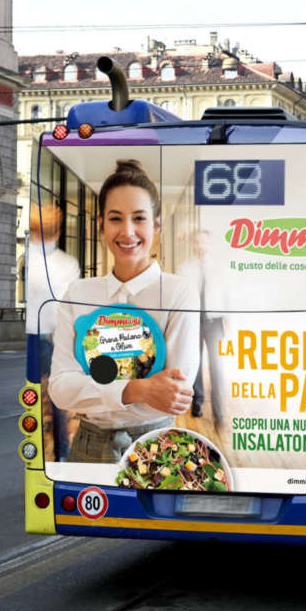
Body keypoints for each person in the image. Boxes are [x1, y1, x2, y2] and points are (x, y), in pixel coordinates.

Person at [50, 159, 200, 463]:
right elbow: (61, 389)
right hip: (87, 449)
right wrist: (138, 389)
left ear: (156, 225)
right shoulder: (77, 294)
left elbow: (176, 395)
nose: (127, 231)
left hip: (157, 447)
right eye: (115, 218)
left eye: (139, 218)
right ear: (100, 224)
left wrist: (95, 391)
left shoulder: (178, 292)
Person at [24, 203, 81, 460]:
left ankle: (35, 452)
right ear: (58, 233)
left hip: (31, 338)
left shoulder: (27, 261)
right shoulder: (68, 265)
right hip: (56, 336)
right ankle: (61, 455)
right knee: (58, 400)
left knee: (31, 400)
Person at [176, 230, 227, 425]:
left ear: (210, 243)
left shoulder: (220, 268)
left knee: (217, 366)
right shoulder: (185, 268)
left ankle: (219, 413)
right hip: (193, 321)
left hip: (215, 321)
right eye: (197, 242)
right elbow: (181, 296)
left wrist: (230, 321)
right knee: (194, 363)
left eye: (204, 242)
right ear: (193, 244)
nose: (201, 246)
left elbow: (227, 295)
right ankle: (197, 403)